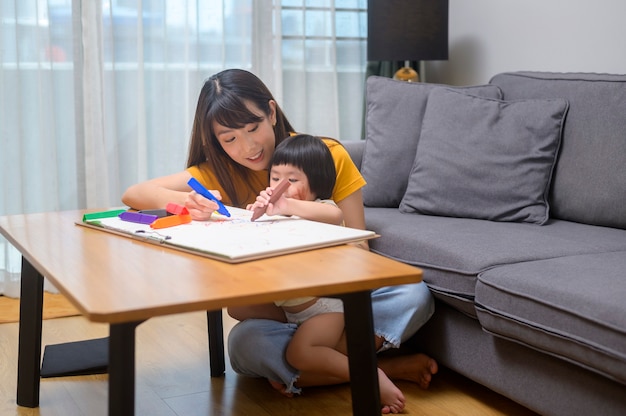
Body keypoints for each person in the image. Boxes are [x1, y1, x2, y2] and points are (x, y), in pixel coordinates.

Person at [121, 68, 437, 414]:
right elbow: (134, 193)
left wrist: (321, 296)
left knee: (414, 295)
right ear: (215, 141)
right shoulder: (218, 171)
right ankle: (372, 368)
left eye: (253, 127)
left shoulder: (324, 154)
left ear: (271, 112)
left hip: (338, 295)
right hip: (284, 309)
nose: (248, 146)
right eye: (229, 139)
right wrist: (185, 202)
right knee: (243, 345)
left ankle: (310, 371)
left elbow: (359, 246)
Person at [248, 133, 406, 412]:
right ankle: (370, 369)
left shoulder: (321, 209)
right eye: (274, 178)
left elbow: (335, 216)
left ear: (316, 184)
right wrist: (258, 213)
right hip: (295, 311)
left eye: (292, 180)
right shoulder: (279, 213)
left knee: (300, 354)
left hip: (326, 308)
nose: (280, 187)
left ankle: (370, 376)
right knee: (252, 327)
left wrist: (286, 206)